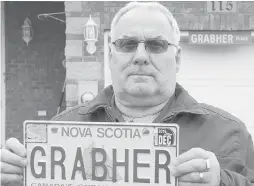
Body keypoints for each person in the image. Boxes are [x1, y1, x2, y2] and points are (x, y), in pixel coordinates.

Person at [1, 2, 254, 186]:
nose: (141, 56)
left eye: (156, 45)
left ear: (176, 59)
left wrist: (221, 181)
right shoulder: (59, 133)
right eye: (127, 44)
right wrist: (15, 177)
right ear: (110, 56)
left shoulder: (229, 135)